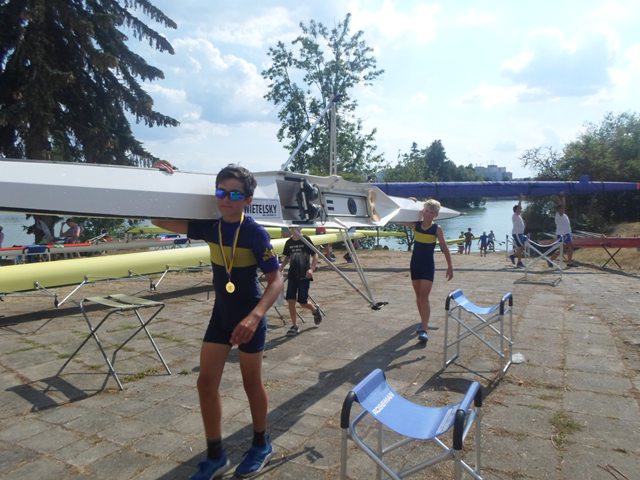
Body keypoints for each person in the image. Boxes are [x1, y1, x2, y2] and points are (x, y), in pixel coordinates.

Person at [151, 161, 283, 480]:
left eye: (234, 194)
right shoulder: (210, 227)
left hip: (249, 318)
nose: (226, 198)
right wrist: (164, 178)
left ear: (247, 200)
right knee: (205, 383)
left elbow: (276, 281)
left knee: (252, 384)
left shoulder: (254, 233)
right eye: (221, 192)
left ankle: (261, 444)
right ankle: (216, 456)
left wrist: (254, 317)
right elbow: (157, 219)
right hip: (221, 317)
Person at [403, 199, 453, 344]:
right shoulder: (416, 225)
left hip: (427, 266)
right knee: (418, 296)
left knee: (424, 297)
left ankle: (424, 329)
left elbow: (445, 248)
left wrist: (450, 266)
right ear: (422, 211)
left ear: (436, 215)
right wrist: (409, 204)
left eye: (432, 212)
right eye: (426, 211)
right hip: (415, 265)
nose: (428, 214)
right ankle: (423, 321)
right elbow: (399, 219)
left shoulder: (437, 229)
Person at [279, 226, 323, 336]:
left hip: (304, 276)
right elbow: (287, 257)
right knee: (290, 300)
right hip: (292, 275)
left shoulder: (306, 240)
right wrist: (281, 268)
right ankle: (295, 326)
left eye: (296, 226)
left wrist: (312, 269)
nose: (293, 228)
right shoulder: (288, 242)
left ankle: (314, 310)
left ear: (301, 227)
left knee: (302, 302)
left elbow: (315, 255)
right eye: (291, 227)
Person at [552, 193, 575, 266]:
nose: (563, 209)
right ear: (558, 209)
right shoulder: (559, 215)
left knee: (564, 248)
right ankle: (569, 262)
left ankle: (551, 260)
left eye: (563, 208)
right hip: (563, 235)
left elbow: (562, 206)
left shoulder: (563, 215)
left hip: (566, 234)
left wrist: (561, 197)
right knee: (567, 247)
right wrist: (563, 197)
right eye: (561, 208)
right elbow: (563, 205)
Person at [510, 195, 526, 268]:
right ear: (516, 210)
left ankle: (519, 262)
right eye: (519, 209)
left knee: (521, 248)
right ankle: (513, 256)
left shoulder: (519, 216)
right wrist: (520, 199)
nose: (520, 210)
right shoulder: (515, 215)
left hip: (520, 234)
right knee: (522, 248)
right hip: (517, 234)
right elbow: (519, 207)